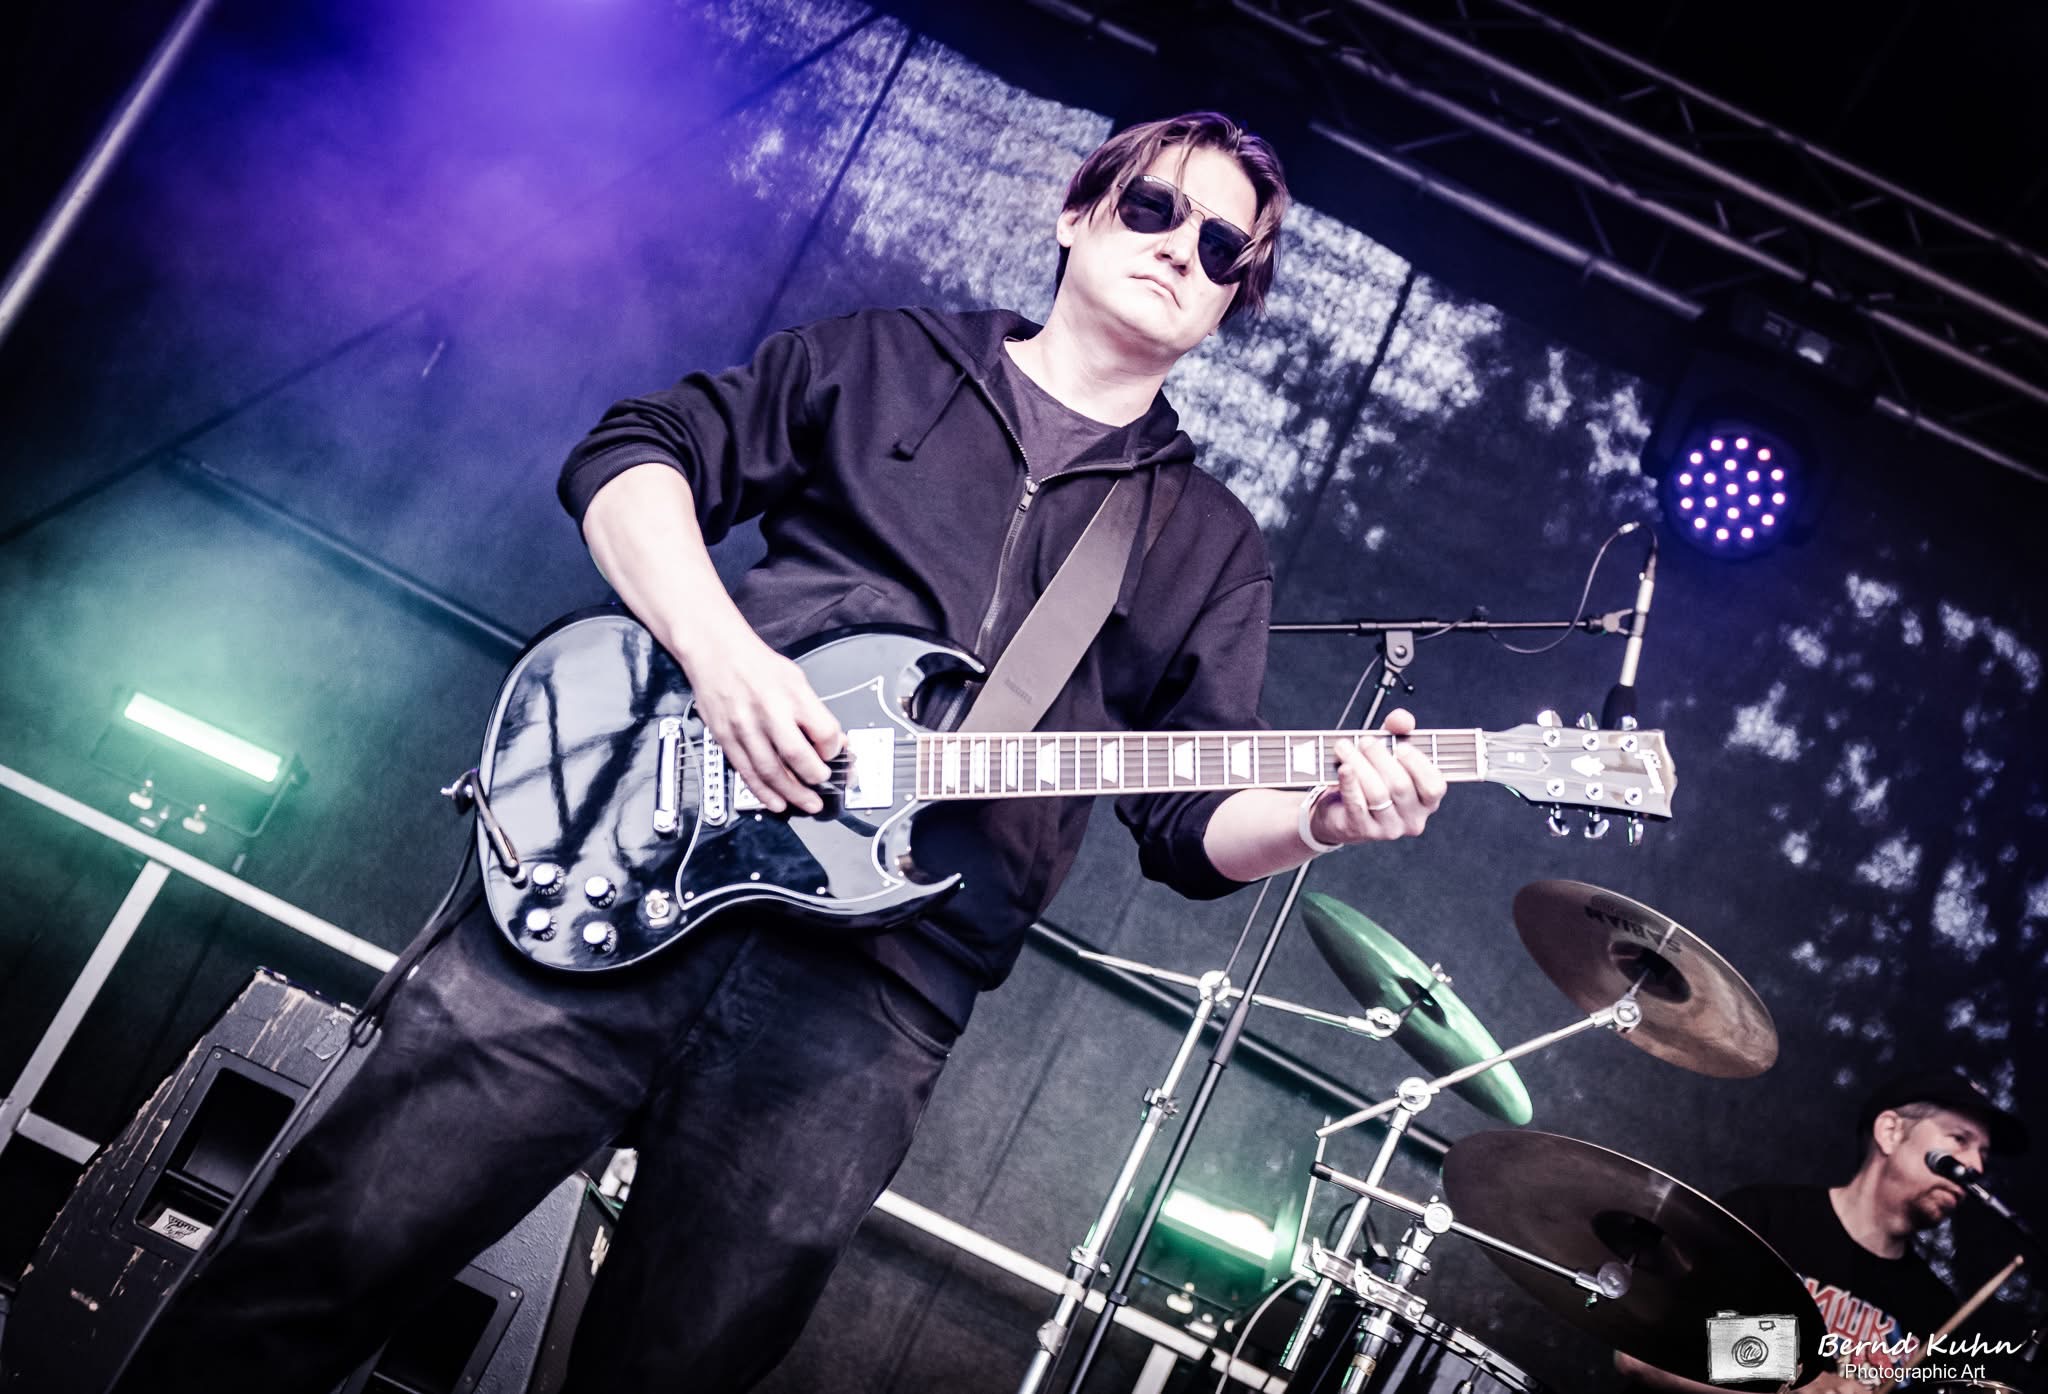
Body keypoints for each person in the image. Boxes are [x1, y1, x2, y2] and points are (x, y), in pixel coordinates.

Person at [102, 112, 1449, 1393]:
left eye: (1221, 247)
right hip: (629, 861)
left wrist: (1319, 817)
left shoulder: (1203, 542)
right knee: (318, 1262)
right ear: (1076, 212)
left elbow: (1193, 823)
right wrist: (723, 656)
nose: (1179, 249)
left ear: (1232, 300)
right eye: (1154, 207)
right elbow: (632, 457)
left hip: (867, 1004)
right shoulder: (886, 359)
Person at [1616, 1069, 2029, 1393]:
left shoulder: (1934, 1309)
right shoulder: (1763, 1217)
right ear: (1890, 1132)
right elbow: (1643, 1350)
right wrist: (1803, 1381)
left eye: (1983, 1154)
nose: (1976, 1165)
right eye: (1959, 1139)